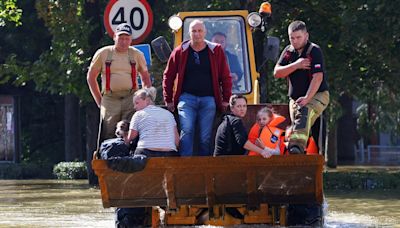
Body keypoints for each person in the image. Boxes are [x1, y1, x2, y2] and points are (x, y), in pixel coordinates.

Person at [163, 19, 232, 156]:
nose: (197, 34)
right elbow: (168, 75)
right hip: (186, 99)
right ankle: (186, 167)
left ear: (205, 32)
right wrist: (168, 99)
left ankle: (203, 170)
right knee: (187, 130)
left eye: (200, 31)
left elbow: (225, 76)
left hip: (209, 100)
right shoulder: (180, 51)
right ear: (189, 33)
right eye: (194, 31)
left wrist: (226, 99)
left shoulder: (216, 51)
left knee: (205, 137)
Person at [87, 23, 152, 143]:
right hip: (110, 98)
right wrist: (99, 101)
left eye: (127, 39)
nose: (124, 42)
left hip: (131, 97)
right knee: (109, 129)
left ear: (131, 40)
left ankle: (132, 157)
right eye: (121, 38)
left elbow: (145, 78)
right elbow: (91, 77)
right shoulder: (103, 53)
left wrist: (146, 100)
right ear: (114, 37)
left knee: (132, 127)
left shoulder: (136, 54)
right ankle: (109, 157)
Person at [273, 20, 329, 154]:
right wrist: (296, 65)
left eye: (298, 37)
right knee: (298, 126)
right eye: (292, 38)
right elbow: (277, 72)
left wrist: (307, 98)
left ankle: (295, 148)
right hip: (295, 99)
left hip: (317, 95)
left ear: (306, 36)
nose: (295, 41)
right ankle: (298, 158)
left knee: (304, 112)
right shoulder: (288, 51)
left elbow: (318, 78)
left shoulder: (314, 51)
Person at [126, 87, 179, 157]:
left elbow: (131, 137)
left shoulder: (138, 114)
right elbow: (177, 141)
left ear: (147, 100)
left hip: (147, 151)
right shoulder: (169, 114)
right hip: (170, 152)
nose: (135, 107)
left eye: (137, 103)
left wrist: (124, 140)